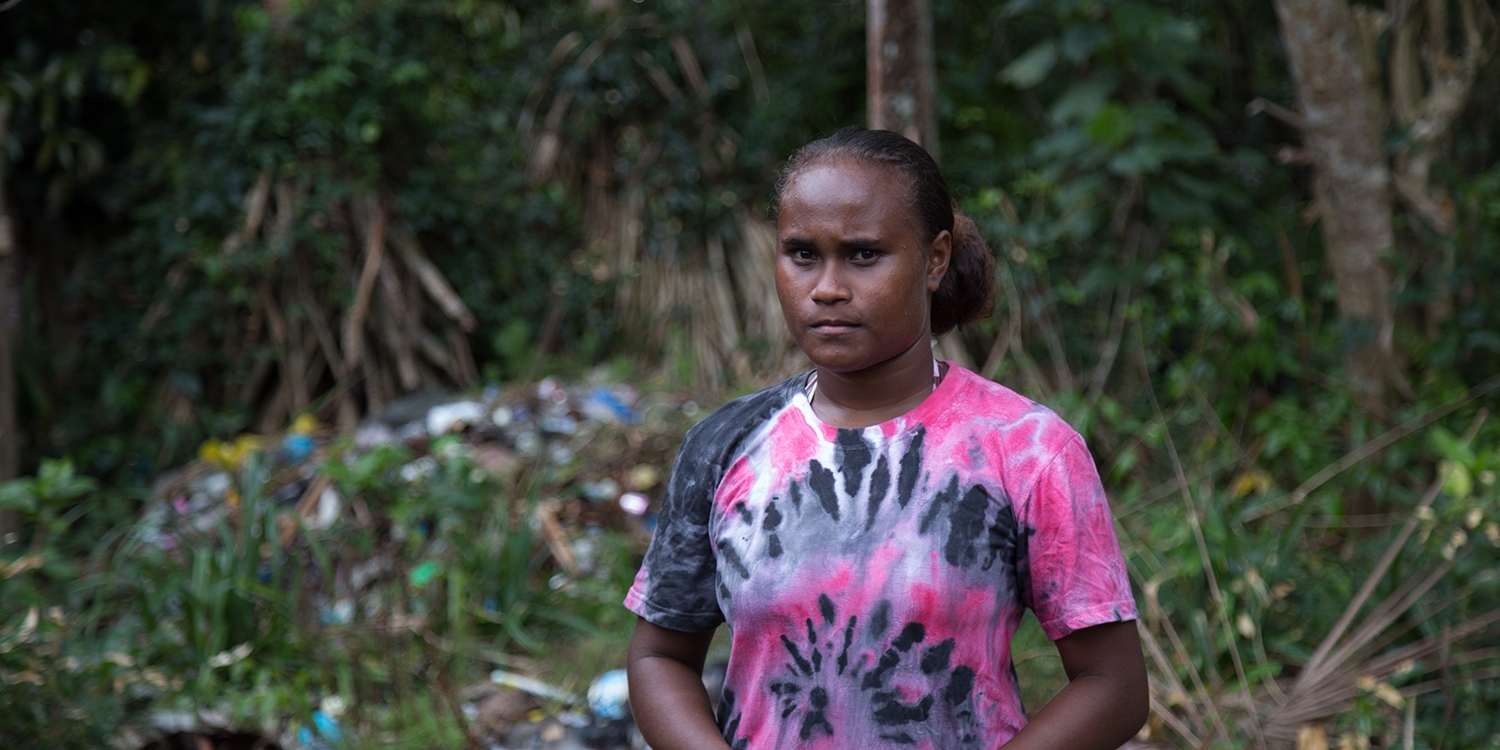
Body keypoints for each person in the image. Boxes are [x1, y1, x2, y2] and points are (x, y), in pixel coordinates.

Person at [624, 127, 1147, 750]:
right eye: (802, 254)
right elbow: (661, 656)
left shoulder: (1027, 449)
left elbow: (1112, 684)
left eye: (864, 254)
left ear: (934, 260)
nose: (828, 288)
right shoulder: (726, 444)